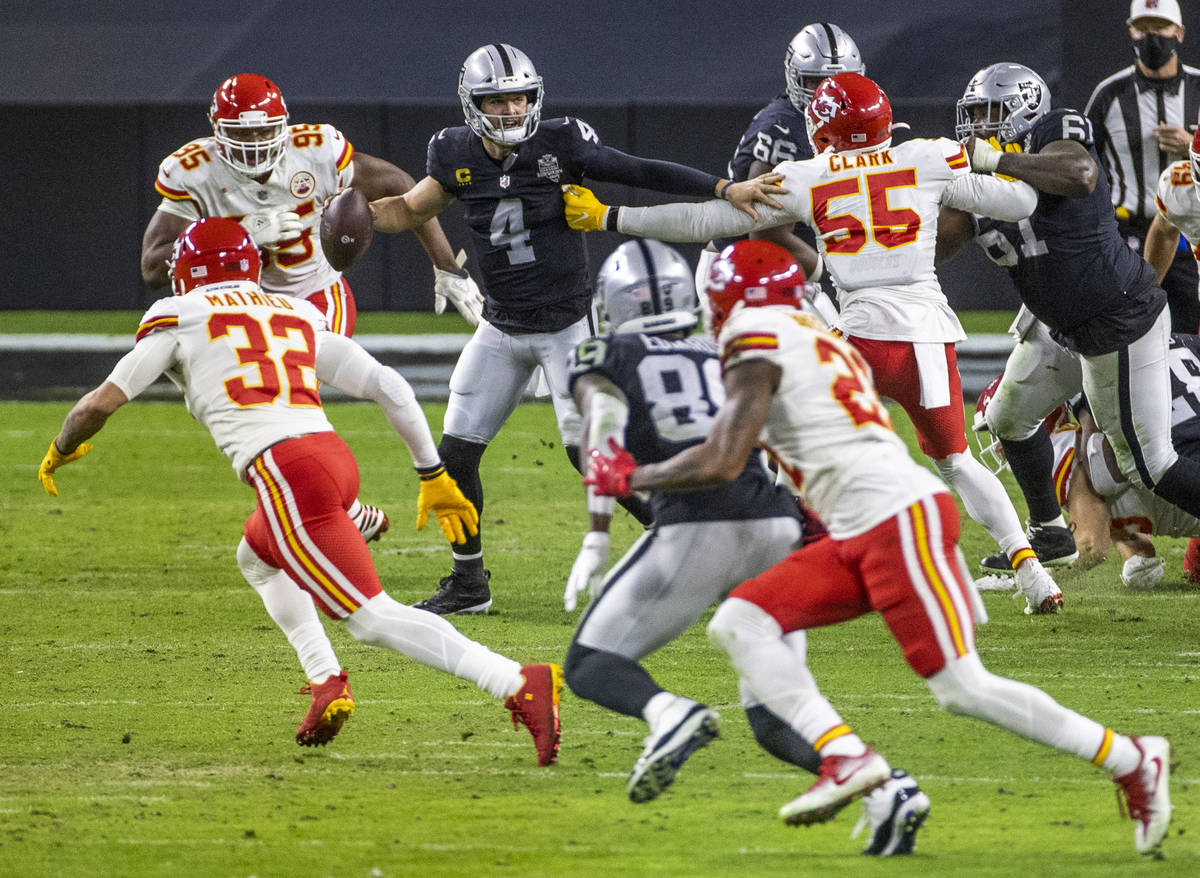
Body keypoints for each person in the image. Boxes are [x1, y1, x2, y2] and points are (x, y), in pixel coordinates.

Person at [584, 239, 1175, 857]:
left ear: (732, 299)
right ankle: (845, 757)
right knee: (742, 621)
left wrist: (629, 476)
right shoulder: (808, 332)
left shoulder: (754, 334)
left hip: (893, 521)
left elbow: (725, 457)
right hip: (868, 522)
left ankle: (1131, 757)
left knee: (962, 687)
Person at [37, 218, 561, 765]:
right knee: (257, 558)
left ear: (188, 273)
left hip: (288, 474)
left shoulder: (178, 316)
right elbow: (388, 386)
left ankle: (516, 681)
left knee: (372, 618)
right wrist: (431, 473)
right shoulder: (293, 310)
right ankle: (326, 680)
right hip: (329, 459)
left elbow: (99, 404)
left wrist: (62, 446)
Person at [563, 72, 1064, 614]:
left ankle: (788, 554)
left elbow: (709, 218)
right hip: (928, 337)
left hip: (861, 338)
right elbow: (1020, 204)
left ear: (823, 129)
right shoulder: (926, 156)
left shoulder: (808, 174)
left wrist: (610, 216)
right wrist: (987, 159)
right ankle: (1033, 572)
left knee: (781, 433)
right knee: (957, 460)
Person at [367, 43, 782, 614]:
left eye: (520, 97)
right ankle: (468, 583)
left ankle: (698, 550)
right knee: (455, 455)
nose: (512, 110)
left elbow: (638, 170)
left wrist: (721, 187)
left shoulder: (560, 142)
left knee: (591, 454)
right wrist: (355, 213)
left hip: (567, 325)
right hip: (500, 327)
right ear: (472, 104)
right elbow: (411, 209)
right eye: (498, 99)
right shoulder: (454, 153)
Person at [563, 238, 930, 854]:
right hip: (776, 521)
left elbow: (602, 435)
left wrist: (598, 533)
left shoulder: (607, 352)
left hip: (696, 523)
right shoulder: (726, 344)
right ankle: (886, 789)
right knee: (772, 711)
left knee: (591, 664)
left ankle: (667, 715)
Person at [140, 72, 485, 544]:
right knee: (250, 420)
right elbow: (153, 265)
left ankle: (329, 515)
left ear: (284, 125)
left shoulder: (316, 151)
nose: (257, 144)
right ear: (217, 132)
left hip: (315, 298)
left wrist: (447, 266)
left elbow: (403, 188)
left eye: (266, 131)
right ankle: (345, 510)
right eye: (243, 134)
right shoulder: (194, 170)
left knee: (283, 419)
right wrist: (243, 236)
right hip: (247, 308)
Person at [954, 62, 1200, 529]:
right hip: (1061, 324)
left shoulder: (1056, 132)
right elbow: (942, 241)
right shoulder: (973, 173)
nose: (978, 127)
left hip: (1113, 320)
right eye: (974, 114)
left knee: (1148, 464)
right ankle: (1048, 536)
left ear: (1022, 109)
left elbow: (1081, 173)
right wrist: (925, 187)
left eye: (989, 112)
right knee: (1008, 417)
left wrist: (993, 160)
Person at [976, 333, 1200, 587]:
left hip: (1183, 481)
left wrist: (1028, 580)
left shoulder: (1088, 365)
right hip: (1179, 454)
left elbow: (1090, 545)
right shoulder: (1181, 338)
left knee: (1099, 463)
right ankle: (1138, 552)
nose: (999, 446)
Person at [696, 22, 865, 323]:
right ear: (795, 77)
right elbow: (766, 230)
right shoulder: (785, 130)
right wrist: (832, 270)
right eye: (817, 82)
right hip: (745, 270)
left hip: (775, 266)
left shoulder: (825, 126)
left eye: (839, 82)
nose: (827, 95)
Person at [1086, 0, 1200, 333]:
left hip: (1190, 232)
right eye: (1144, 27)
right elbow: (1081, 160)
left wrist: (1190, 141)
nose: (1152, 37)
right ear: (1131, 31)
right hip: (1128, 234)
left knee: (1190, 331)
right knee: (1123, 331)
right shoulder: (1109, 94)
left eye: (1160, 27)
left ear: (1179, 32)